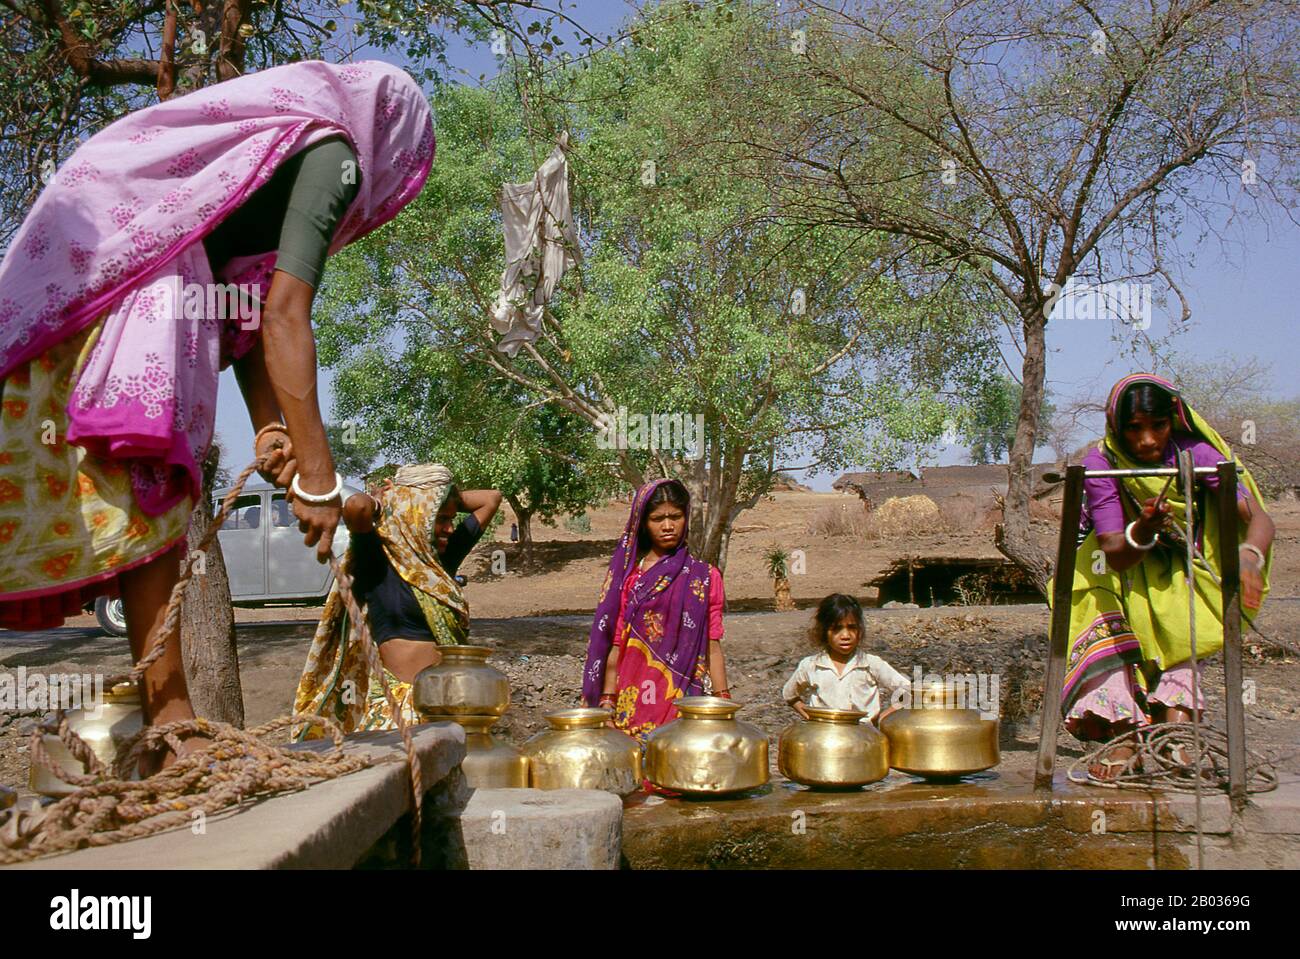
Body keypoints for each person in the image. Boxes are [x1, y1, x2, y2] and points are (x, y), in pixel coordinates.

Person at [0, 60, 435, 762]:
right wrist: (320, 481)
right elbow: (287, 317)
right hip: (134, 272)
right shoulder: (337, 151)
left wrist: (271, 426)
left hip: (102, 261)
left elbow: (246, 306)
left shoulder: (275, 149)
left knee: (142, 492)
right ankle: (172, 722)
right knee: (149, 482)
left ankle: (171, 724)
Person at [1061, 373, 1274, 780]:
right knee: (1105, 620)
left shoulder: (1196, 454)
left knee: (1184, 619)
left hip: (1173, 565)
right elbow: (1115, 554)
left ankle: (1173, 731)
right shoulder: (1101, 464)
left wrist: (1250, 554)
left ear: (1172, 421)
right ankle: (1122, 734)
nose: (1146, 441)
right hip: (1109, 568)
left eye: (1156, 426)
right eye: (1134, 428)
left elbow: (1259, 517)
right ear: (1116, 427)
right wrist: (1143, 528)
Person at [292, 464, 490, 735]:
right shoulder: (377, 560)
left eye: (451, 518)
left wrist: (438, 494)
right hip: (398, 712)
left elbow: (492, 498)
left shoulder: (439, 564)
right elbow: (356, 508)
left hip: (448, 704)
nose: (449, 528)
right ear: (415, 515)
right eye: (441, 518)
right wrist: (387, 499)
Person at [582, 479, 728, 741]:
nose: (668, 526)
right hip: (631, 701)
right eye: (657, 518)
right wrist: (607, 701)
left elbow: (713, 645)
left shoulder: (704, 578)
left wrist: (723, 703)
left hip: (683, 704)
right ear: (643, 524)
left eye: (676, 516)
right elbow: (617, 644)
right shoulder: (631, 579)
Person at [782, 593, 909, 724]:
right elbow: (789, 694)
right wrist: (810, 717)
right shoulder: (811, 665)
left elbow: (908, 692)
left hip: (864, 737)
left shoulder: (871, 664)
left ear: (860, 629)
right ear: (824, 631)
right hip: (824, 737)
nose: (845, 635)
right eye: (837, 629)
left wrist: (882, 719)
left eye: (852, 627)